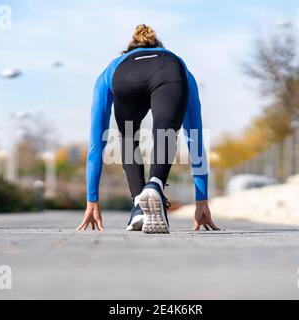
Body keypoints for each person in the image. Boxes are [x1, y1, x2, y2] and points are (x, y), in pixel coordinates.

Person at [76, 24, 219, 233]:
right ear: (158, 46)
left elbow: (97, 143)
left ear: (129, 50)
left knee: (126, 135)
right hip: (168, 72)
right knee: (165, 130)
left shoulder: (112, 68)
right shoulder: (175, 62)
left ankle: (138, 206)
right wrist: (202, 200)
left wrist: (92, 201)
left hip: (124, 77)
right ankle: (155, 186)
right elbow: (194, 138)